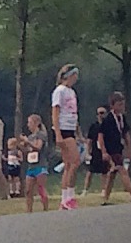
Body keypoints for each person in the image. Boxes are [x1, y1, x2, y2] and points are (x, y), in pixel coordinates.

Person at [50, 65, 83, 208]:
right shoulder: (60, 91)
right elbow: (55, 112)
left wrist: (78, 132)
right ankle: (69, 195)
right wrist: (57, 133)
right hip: (63, 129)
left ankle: (65, 199)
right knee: (75, 161)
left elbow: (74, 113)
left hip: (70, 128)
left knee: (69, 164)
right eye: (75, 75)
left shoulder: (72, 92)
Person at [20, 115, 53, 212]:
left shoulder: (41, 135)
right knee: (28, 190)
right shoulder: (30, 137)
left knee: (41, 188)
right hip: (31, 166)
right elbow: (28, 150)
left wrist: (28, 142)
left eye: (30, 123)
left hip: (40, 165)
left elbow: (38, 147)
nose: (28, 125)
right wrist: (22, 145)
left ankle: (45, 209)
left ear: (36, 123)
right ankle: (29, 210)